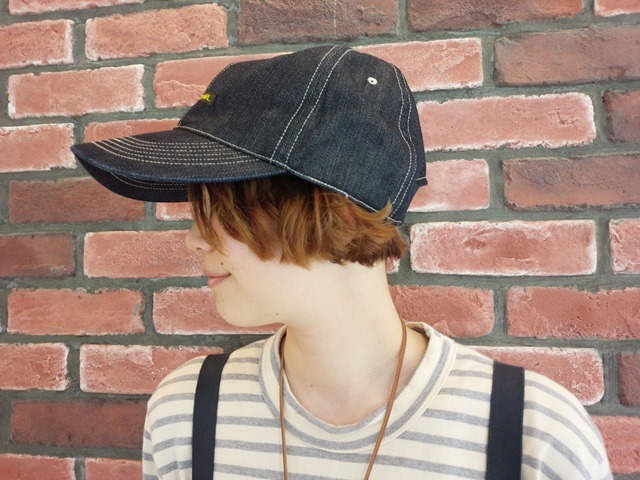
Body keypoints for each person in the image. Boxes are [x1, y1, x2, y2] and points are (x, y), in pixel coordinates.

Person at [71, 45, 612, 479]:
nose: (194, 240)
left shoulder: (532, 433)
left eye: (221, 209)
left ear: (328, 209)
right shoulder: (187, 411)